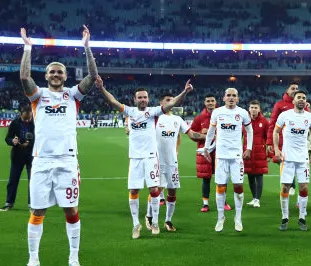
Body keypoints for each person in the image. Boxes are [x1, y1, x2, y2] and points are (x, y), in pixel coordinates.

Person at [19, 25, 98, 266]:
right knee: (37, 212)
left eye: (59, 72)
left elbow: (93, 77)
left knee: (71, 211)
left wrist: (87, 47)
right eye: (52, 71)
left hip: (67, 161)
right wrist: (28, 47)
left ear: (65, 76)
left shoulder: (72, 95)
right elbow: (23, 78)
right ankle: (33, 260)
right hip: (41, 162)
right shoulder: (38, 96)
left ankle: (73, 257)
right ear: (46, 75)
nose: (55, 74)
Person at [95, 78, 193, 238]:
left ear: (148, 99)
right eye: (140, 97)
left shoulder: (153, 112)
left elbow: (171, 104)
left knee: (154, 189)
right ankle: (136, 224)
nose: (143, 99)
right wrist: (101, 88)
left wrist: (184, 91)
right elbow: (113, 101)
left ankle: (154, 221)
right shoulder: (130, 112)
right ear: (135, 99)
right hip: (135, 158)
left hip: (150, 158)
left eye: (145, 97)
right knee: (133, 190)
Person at [148, 93, 206, 232]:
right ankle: (150, 217)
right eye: (167, 100)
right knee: (157, 189)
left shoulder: (177, 119)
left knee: (172, 191)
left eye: (172, 100)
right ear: (161, 103)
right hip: (157, 160)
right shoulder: (155, 117)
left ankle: (168, 220)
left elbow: (192, 135)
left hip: (172, 162)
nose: (171, 102)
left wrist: (209, 136)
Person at [203, 88, 253, 232]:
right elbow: (211, 131)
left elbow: (249, 131)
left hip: (236, 157)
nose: (231, 98)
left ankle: (238, 218)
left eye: (234, 96)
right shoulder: (217, 112)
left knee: (238, 186)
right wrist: (207, 147)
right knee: (220, 187)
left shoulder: (243, 113)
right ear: (224, 98)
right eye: (229, 95)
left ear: (238, 99)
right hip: (221, 156)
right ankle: (220, 218)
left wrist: (248, 148)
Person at [273, 90, 311, 231]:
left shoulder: (310, 117)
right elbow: (275, 131)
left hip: (303, 158)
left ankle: (302, 217)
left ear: (305, 101)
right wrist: (276, 148)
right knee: (285, 187)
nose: (301, 100)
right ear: (293, 100)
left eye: (304, 98)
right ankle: (285, 216)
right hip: (287, 158)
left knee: (304, 187)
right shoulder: (285, 115)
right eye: (299, 97)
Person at [190, 94, 230, 213]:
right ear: (204, 102)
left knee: (222, 178)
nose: (210, 103)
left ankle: (223, 201)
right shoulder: (199, 118)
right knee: (206, 178)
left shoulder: (223, 115)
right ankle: (205, 203)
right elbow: (192, 134)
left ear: (216, 102)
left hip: (221, 151)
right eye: (208, 101)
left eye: (212, 101)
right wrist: (204, 135)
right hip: (205, 151)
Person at [267, 82, 301, 196]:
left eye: (297, 88)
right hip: (282, 140)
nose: (295, 90)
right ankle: (290, 184)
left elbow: (310, 123)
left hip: (299, 141)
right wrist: (269, 142)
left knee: (298, 165)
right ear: (287, 90)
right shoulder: (280, 105)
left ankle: (292, 186)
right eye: (293, 88)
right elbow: (272, 123)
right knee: (283, 162)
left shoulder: (303, 105)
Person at [1, 107, 35, 211]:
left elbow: (40, 138)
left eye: (29, 118)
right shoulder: (15, 123)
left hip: (31, 155)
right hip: (17, 155)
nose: (27, 120)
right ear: (21, 115)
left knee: (33, 181)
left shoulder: (35, 123)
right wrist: (13, 141)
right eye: (25, 118)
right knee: (13, 180)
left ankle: (32, 205)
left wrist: (30, 142)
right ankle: (9, 203)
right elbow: (7, 138)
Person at [244, 100, 269, 208]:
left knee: (259, 176)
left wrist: (268, 153)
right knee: (250, 176)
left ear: (259, 109)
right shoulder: (244, 121)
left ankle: (257, 199)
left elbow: (268, 138)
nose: (253, 109)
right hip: (247, 152)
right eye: (252, 107)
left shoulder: (264, 121)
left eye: (255, 107)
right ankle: (254, 198)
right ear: (249, 109)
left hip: (260, 152)